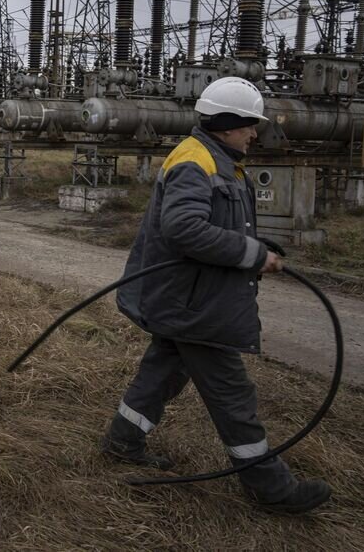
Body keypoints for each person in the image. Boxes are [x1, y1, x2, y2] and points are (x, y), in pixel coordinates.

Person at [101, 76, 332, 515]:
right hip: (194, 305)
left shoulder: (216, 158)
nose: (254, 133)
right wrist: (251, 254)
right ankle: (272, 488)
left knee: (163, 374)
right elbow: (185, 228)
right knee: (233, 396)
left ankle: (122, 441)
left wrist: (262, 248)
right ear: (227, 124)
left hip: (185, 299)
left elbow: (216, 222)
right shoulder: (196, 161)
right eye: (249, 125)